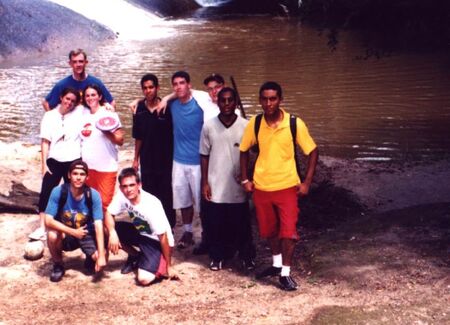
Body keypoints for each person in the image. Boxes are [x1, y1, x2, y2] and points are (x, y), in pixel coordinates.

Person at [239, 81, 319, 291]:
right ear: (260, 100)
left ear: (280, 100)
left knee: (289, 232)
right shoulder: (255, 123)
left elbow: (312, 151)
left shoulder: (294, 123)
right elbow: (244, 150)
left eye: (273, 99)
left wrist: (307, 182)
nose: (268, 103)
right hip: (262, 188)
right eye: (264, 99)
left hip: (287, 187)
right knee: (270, 230)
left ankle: (285, 273)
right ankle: (275, 264)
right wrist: (245, 179)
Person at [200, 87, 256, 271]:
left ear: (236, 102)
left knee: (242, 224)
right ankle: (217, 257)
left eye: (230, 100)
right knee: (216, 224)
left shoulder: (246, 125)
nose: (226, 104)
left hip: (237, 185)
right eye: (222, 100)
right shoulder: (208, 126)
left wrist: (248, 174)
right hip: (216, 184)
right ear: (217, 102)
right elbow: (204, 155)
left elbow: (255, 152)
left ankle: (247, 256)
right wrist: (205, 182)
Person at [105, 168, 176, 285]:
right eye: (125, 186)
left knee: (144, 279)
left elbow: (163, 237)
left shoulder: (151, 203)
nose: (128, 189)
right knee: (106, 229)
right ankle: (135, 256)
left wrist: (169, 266)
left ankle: (156, 261)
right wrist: (112, 233)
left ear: (139, 185)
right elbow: (109, 213)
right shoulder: (122, 195)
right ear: (121, 188)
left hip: (157, 241)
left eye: (132, 185)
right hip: (140, 233)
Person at [29, 88, 84, 241]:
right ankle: (42, 227)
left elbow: (97, 100)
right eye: (67, 99)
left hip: (73, 158)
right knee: (46, 191)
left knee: (74, 191)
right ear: (61, 97)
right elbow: (45, 141)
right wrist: (44, 164)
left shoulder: (79, 112)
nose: (69, 103)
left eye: (73, 101)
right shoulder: (49, 116)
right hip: (54, 159)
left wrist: (107, 106)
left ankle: (74, 223)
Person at [45, 160, 106, 282]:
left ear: (87, 177)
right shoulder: (58, 191)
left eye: (82, 174)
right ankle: (58, 264)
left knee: (99, 256)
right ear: (69, 175)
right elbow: (48, 220)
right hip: (67, 235)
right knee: (51, 234)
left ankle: (90, 257)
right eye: (75, 173)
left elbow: (99, 225)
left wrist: (101, 255)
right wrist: (73, 232)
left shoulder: (93, 195)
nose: (78, 178)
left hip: (85, 233)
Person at [132, 73, 176, 229]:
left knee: (166, 193)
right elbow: (138, 137)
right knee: (148, 194)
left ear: (157, 88)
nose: (148, 91)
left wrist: (167, 98)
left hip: (166, 159)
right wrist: (135, 159)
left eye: (151, 87)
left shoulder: (167, 107)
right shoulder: (139, 110)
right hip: (147, 159)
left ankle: (169, 226)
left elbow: (183, 92)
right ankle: (151, 226)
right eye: (144, 88)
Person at [169, 71, 203, 249]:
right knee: (183, 200)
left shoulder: (201, 104)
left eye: (182, 83)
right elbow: (154, 102)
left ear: (189, 84)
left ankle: (206, 233)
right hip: (178, 161)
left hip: (198, 162)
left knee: (201, 200)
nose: (178, 86)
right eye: (175, 84)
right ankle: (188, 231)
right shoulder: (172, 105)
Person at [80, 84, 124, 213]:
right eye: (87, 95)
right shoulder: (83, 114)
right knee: (90, 202)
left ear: (99, 96)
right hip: (88, 167)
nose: (90, 98)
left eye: (93, 95)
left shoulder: (109, 113)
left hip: (106, 167)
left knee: (105, 204)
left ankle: (108, 232)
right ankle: (94, 231)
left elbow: (120, 140)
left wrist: (105, 131)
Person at [42, 49, 115, 111]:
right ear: (70, 64)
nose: (78, 64)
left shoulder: (96, 83)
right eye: (74, 62)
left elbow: (112, 102)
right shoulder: (62, 85)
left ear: (86, 63)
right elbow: (46, 103)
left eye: (81, 61)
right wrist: (54, 121)